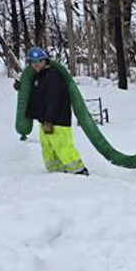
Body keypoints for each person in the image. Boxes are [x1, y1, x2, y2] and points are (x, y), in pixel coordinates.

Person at [24, 47, 88, 175]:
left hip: (57, 121)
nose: (36, 64)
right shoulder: (39, 77)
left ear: (45, 61)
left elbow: (54, 100)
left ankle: (79, 171)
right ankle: (56, 173)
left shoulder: (53, 76)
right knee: (48, 149)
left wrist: (49, 120)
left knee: (63, 147)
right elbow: (37, 97)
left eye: (39, 60)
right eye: (33, 61)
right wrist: (21, 88)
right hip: (45, 121)